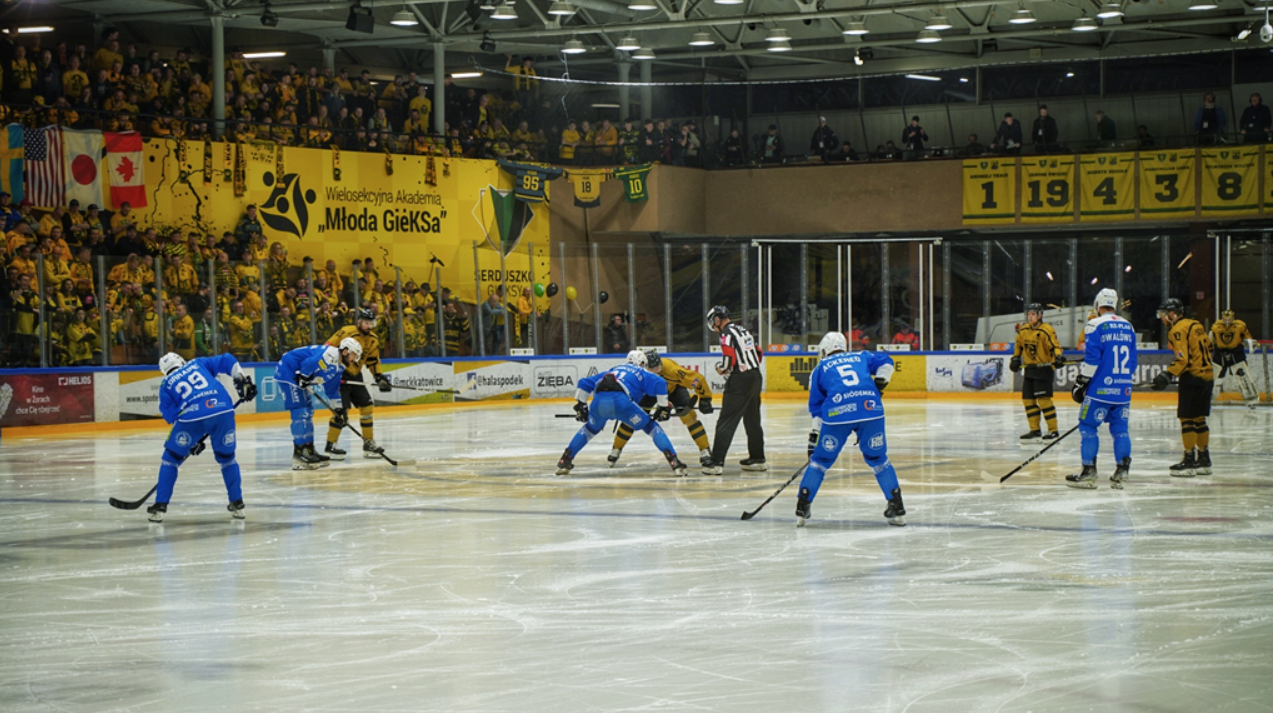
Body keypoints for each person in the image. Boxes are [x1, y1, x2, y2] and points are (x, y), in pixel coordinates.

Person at [797, 332, 903, 527]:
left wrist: (813, 441)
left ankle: (803, 506)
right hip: (871, 411)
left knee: (820, 462)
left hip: (838, 414)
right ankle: (897, 507)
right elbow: (887, 363)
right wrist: (878, 387)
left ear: (825, 349)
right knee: (879, 460)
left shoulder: (819, 369)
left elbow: (817, 410)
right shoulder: (862, 356)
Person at [147, 351, 257, 522]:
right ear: (182, 362)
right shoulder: (197, 363)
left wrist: (193, 437)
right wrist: (241, 380)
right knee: (227, 458)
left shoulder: (166, 384)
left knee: (170, 459)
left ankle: (160, 505)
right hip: (223, 410)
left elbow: (170, 416)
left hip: (191, 418)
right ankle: (237, 503)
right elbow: (227, 360)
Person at [556, 350, 687, 476]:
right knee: (651, 427)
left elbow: (584, 383)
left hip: (599, 403)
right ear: (641, 363)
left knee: (589, 430)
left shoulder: (613, 369)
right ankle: (673, 461)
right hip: (623, 403)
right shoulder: (641, 371)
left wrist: (581, 405)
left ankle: (565, 459)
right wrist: (663, 406)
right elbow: (660, 382)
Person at [1065, 288, 1137, 489]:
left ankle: (1088, 473)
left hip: (1100, 391)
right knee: (1121, 430)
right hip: (1123, 391)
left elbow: (1093, 359)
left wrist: (1081, 382)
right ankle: (1122, 472)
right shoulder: (1128, 327)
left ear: (1097, 305)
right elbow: (1132, 362)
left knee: (1088, 428)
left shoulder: (1094, 325)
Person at [608, 350, 714, 469]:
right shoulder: (637, 374)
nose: (657, 371)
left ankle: (705, 450)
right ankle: (616, 449)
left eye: (658, 367)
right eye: (652, 369)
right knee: (632, 419)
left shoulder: (672, 370)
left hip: (673, 390)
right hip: (649, 394)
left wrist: (705, 398)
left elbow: (696, 379)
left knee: (690, 418)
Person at [275, 338, 362, 470]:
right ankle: (299, 453)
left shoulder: (339, 366)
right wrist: (304, 376)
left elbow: (332, 389)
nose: (354, 360)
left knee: (308, 411)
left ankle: (309, 449)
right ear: (345, 351)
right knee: (300, 412)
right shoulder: (330, 355)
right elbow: (309, 363)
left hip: (297, 375)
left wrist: (338, 409)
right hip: (289, 373)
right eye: (354, 355)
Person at [1151, 298, 1215, 477]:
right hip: (1207, 377)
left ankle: (1188, 459)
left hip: (1192, 378)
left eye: (1163, 315)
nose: (1162, 319)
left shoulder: (1177, 330)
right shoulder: (1196, 325)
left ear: (1172, 314)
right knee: (1200, 419)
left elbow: (1183, 359)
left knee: (1187, 419)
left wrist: (1168, 374)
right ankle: (1204, 458)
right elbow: (1208, 348)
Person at [703, 305, 765, 475]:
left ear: (717, 320)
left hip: (740, 380)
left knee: (726, 420)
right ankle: (758, 458)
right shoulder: (743, 330)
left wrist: (721, 369)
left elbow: (729, 358)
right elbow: (758, 352)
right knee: (753, 420)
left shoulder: (726, 334)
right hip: (755, 376)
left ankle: (716, 462)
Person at [325, 307, 391, 460]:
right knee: (340, 412)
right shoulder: (346, 332)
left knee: (367, 406)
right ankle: (331, 445)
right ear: (359, 322)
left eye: (371, 323)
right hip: (339, 376)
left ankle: (368, 444)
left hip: (356, 375)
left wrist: (379, 376)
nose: (369, 326)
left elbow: (373, 360)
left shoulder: (373, 339)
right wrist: (331, 371)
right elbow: (327, 348)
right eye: (366, 323)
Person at [1009, 303, 1064, 443]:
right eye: (1029, 314)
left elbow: (1055, 346)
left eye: (1033, 314)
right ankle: (1035, 429)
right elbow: (1018, 345)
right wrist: (1015, 358)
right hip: (1030, 370)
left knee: (1044, 400)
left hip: (1043, 370)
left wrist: (1058, 357)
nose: (1030, 317)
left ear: (1039, 315)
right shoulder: (1024, 330)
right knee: (1028, 400)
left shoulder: (1047, 330)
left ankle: (1053, 430)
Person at [1210, 309, 1258, 409]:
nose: (1227, 320)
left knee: (1243, 378)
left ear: (1233, 317)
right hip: (1219, 355)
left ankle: (1252, 400)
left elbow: (1248, 337)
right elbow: (1210, 341)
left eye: (1229, 318)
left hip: (1236, 355)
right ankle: (1208, 399)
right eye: (1225, 318)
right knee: (1213, 379)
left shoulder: (1240, 326)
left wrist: (1251, 343)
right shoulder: (1215, 326)